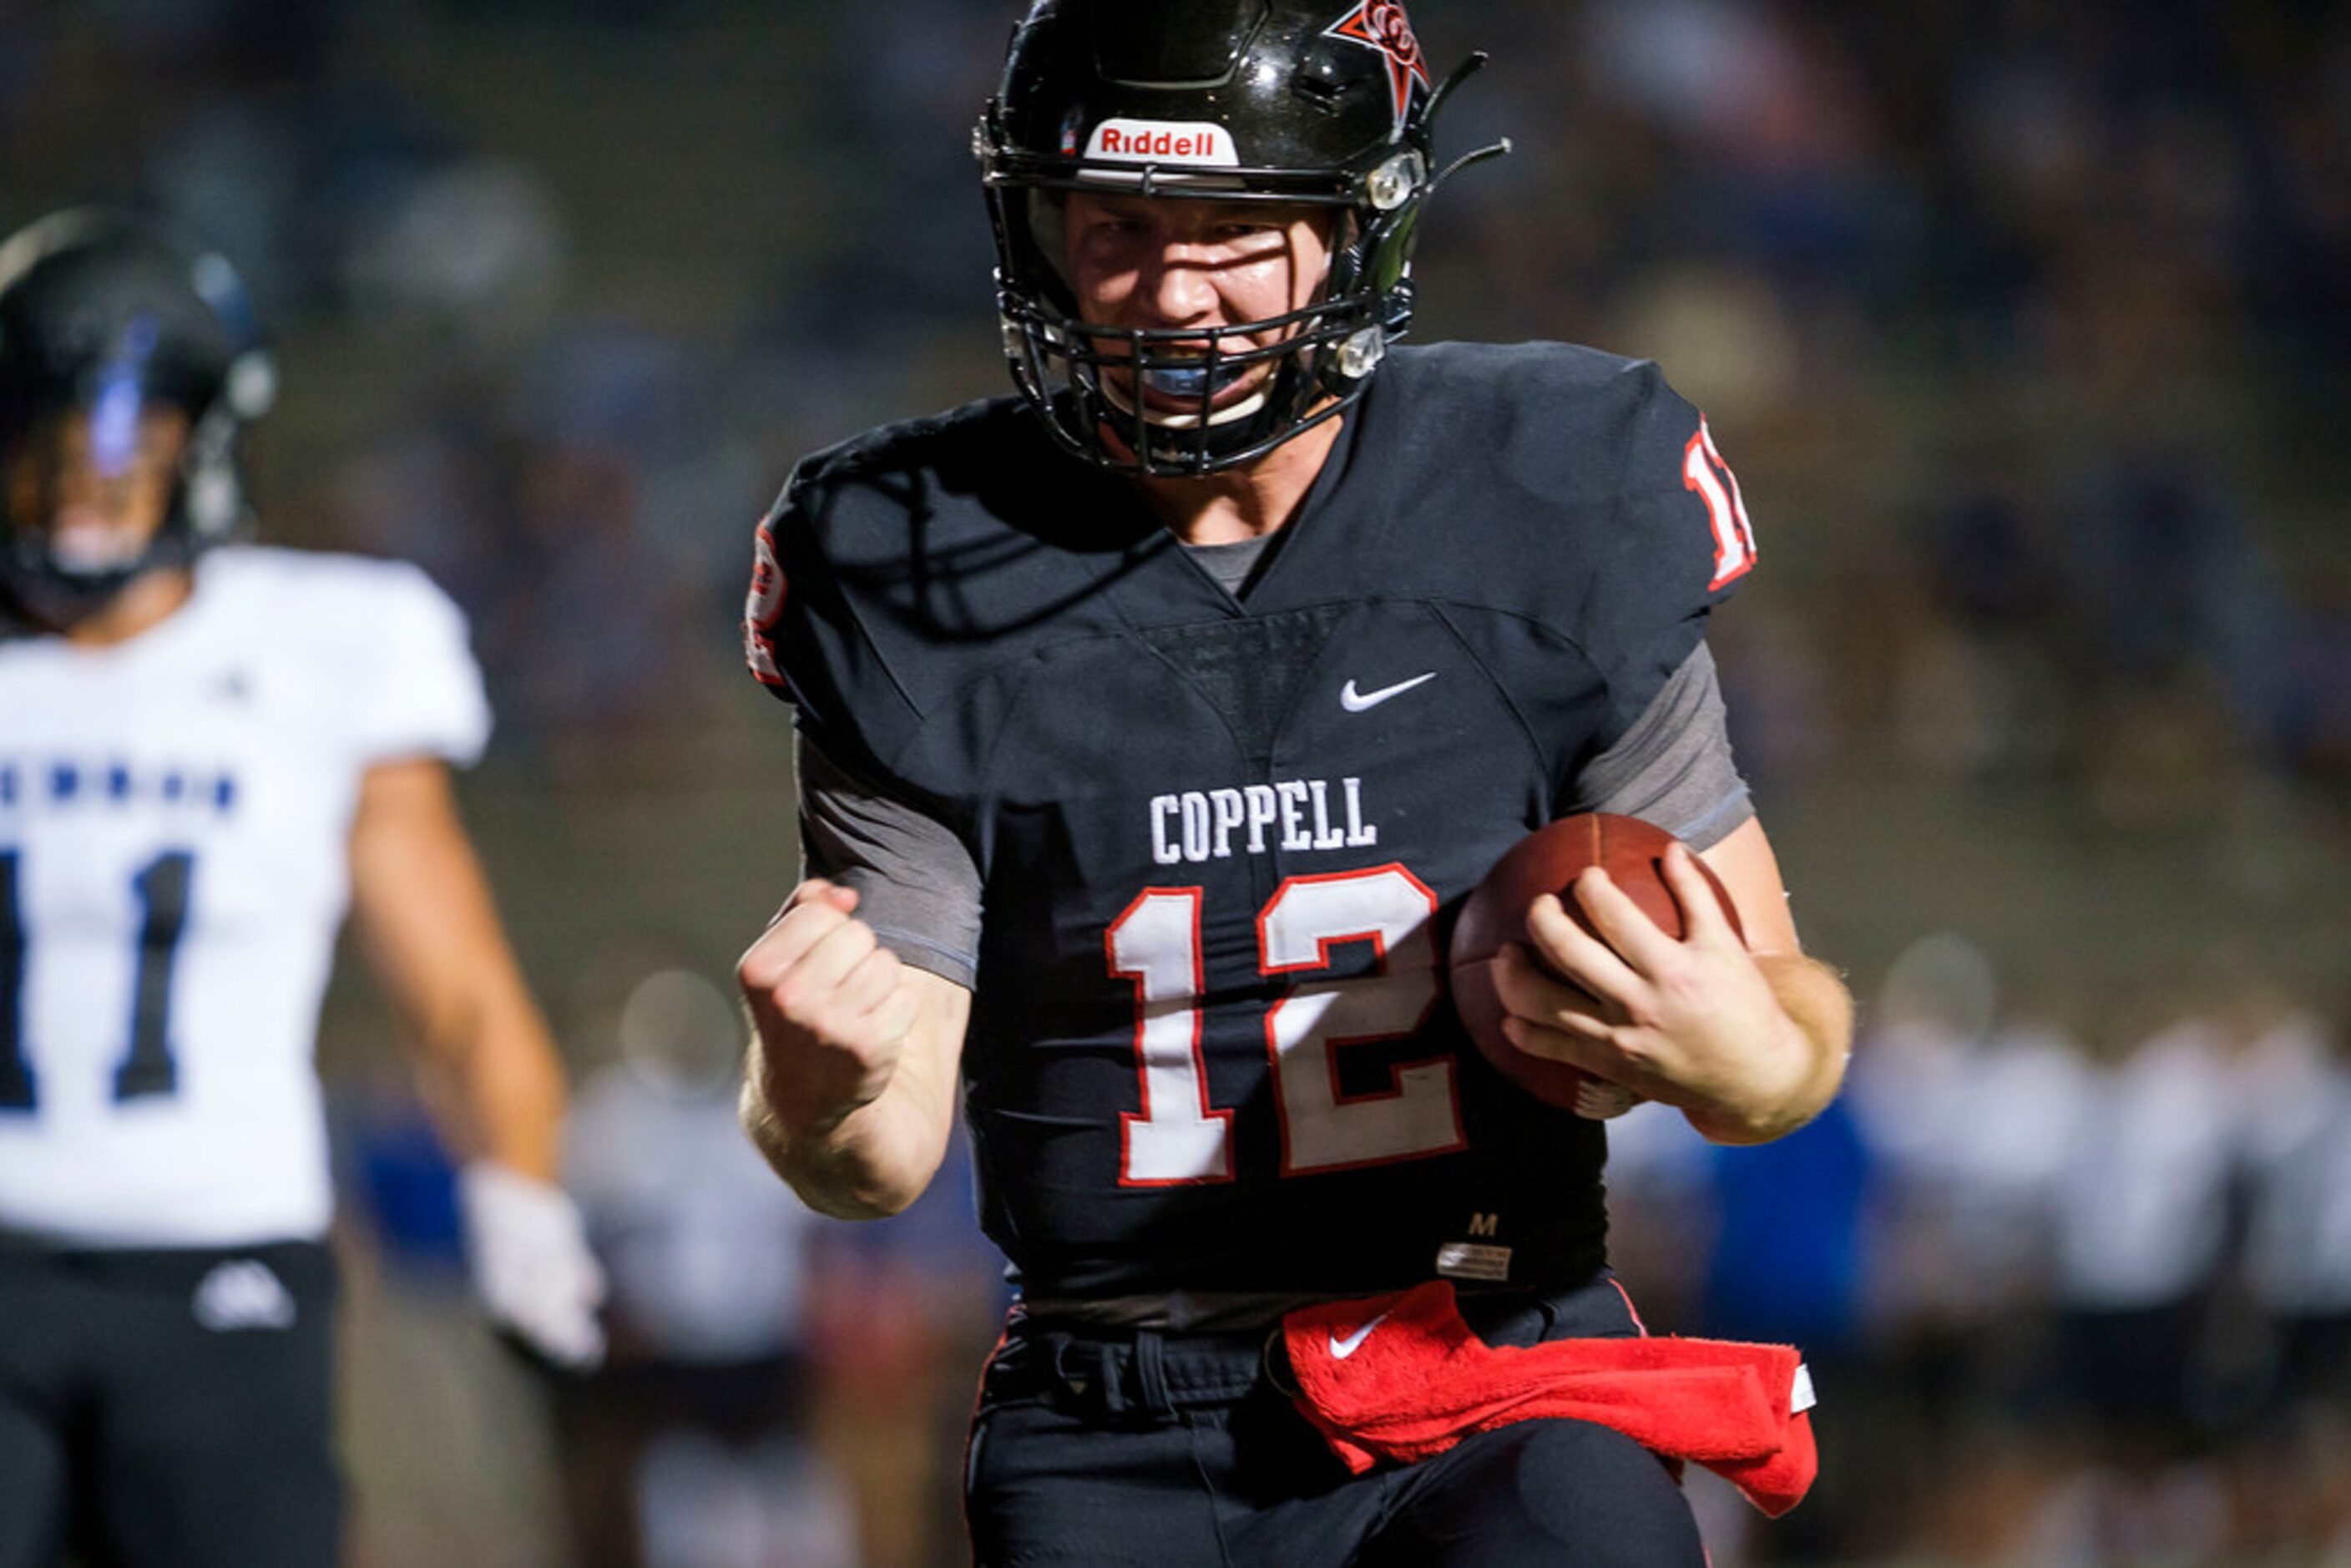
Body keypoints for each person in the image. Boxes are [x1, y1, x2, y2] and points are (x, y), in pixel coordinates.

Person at [736, 3, 1854, 1561]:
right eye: (1118, 223)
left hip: (1494, 1363)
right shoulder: (908, 568)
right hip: (1113, 1409)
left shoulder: (1545, 495)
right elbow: (877, 1154)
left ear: (1353, 229)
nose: (1170, 290)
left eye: (1234, 228)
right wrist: (814, 1080)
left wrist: (1743, 1053)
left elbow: (1790, 1038)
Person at [0, 208, 605, 1567]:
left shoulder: (325, 643)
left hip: (224, 1257)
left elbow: (452, 974)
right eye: (47, 441)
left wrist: (520, 1183)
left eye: (127, 447)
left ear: (203, 447)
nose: (83, 483)